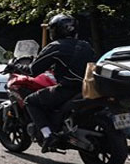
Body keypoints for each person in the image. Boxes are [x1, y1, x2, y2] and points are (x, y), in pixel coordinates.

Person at [24, 14, 95, 152]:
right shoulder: (85, 45)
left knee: (31, 101)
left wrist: (18, 67)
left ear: (56, 30)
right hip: (88, 88)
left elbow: (34, 70)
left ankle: (48, 135)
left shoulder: (56, 46)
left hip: (68, 89)